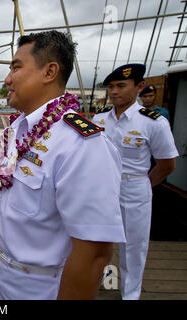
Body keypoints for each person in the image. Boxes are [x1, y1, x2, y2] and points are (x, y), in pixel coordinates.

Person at [0, 31, 126, 300]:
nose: (7, 79)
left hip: (44, 287)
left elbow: (93, 253)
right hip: (4, 274)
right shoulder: (19, 128)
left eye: (16, 68)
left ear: (50, 72)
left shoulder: (81, 145)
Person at [92, 64, 178, 300]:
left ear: (139, 87)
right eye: (110, 87)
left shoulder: (153, 122)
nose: (114, 92)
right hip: (101, 188)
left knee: (133, 247)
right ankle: (96, 284)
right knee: (97, 240)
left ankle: (130, 295)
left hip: (135, 186)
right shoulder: (98, 120)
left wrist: (143, 185)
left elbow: (167, 165)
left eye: (121, 86)